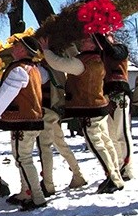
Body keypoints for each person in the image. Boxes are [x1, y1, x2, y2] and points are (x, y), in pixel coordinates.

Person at [39, 34, 125, 194]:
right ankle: (116, 173)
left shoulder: (82, 62)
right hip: (99, 105)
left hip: (88, 108)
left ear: (93, 45)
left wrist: (46, 50)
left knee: (96, 144)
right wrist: (68, 42)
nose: (83, 41)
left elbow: (58, 63)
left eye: (87, 40)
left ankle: (112, 178)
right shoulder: (95, 59)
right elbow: (73, 55)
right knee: (105, 141)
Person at [0, 35, 47, 211]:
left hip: (24, 121)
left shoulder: (20, 70)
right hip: (29, 119)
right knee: (21, 158)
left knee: (23, 159)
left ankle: (37, 197)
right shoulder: (35, 69)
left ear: (23, 50)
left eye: (16, 46)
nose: (13, 48)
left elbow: (6, 94)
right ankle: (25, 192)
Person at [37, 62, 87, 197]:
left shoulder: (41, 69)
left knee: (45, 147)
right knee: (61, 144)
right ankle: (78, 175)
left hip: (46, 111)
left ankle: (48, 185)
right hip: (56, 110)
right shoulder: (58, 66)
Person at [96, 33, 134, 180]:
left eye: (108, 35)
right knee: (111, 134)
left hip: (119, 93)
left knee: (122, 132)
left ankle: (128, 166)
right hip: (105, 96)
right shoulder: (99, 55)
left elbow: (113, 51)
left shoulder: (120, 49)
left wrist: (100, 35)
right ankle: (118, 164)